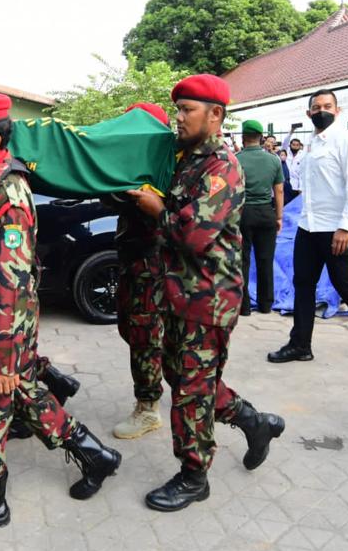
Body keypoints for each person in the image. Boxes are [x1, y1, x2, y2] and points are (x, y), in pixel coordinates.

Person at [0, 91, 120, 537]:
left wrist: (4, 353)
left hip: (4, 318)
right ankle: (96, 455)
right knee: (22, 394)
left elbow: (12, 280)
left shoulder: (10, 194)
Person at [129, 75, 284, 512]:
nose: (178, 118)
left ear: (215, 115)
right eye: (176, 109)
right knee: (184, 378)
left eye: (187, 111)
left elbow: (194, 234)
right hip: (178, 293)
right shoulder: (183, 159)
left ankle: (194, 475)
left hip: (208, 298)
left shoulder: (222, 167)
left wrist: (157, 209)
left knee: (192, 389)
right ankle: (255, 422)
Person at [268, 89, 348, 363]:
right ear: (309, 114)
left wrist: (346, 227)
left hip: (337, 228)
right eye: (316, 107)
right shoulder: (311, 145)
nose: (321, 111)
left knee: (346, 284)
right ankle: (300, 344)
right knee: (303, 283)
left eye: (327, 106)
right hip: (309, 227)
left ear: (338, 110)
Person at [111, 102, 170, 440]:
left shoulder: (159, 167)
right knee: (132, 331)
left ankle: (148, 408)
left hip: (152, 264)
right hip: (133, 262)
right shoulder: (135, 164)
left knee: (145, 338)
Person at [235, 119, 284, 316]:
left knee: (242, 260)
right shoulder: (274, 160)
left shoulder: (235, 159)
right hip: (266, 213)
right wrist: (279, 217)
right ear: (261, 137)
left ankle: (244, 306)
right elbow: (279, 190)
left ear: (243, 137)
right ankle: (265, 305)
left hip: (243, 213)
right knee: (265, 260)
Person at [282, 125, 305, 195]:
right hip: (284, 185)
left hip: (296, 187)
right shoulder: (286, 152)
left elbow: (302, 173)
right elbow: (285, 142)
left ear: (300, 146)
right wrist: (291, 131)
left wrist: (301, 188)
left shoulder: (302, 155)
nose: (295, 146)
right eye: (293, 144)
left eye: (297, 145)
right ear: (290, 145)